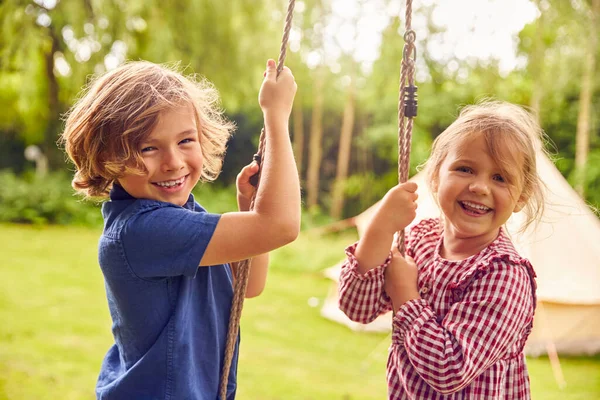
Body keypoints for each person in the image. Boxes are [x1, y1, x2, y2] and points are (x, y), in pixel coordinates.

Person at [60, 59, 300, 399]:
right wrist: (277, 117)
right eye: (148, 148)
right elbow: (281, 226)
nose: (173, 161)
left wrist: (248, 209)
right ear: (109, 157)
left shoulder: (181, 214)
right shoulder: (144, 231)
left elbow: (249, 285)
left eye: (186, 140)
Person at [339, 101, 545, 399]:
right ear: (435, 176)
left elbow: (450, 370)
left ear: (522, 197)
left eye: (499, 178)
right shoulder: (420, 239)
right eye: (465, 169)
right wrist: (381, 227)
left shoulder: (505, 275)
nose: (480, 187)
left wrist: (405, 296)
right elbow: (357, 306)